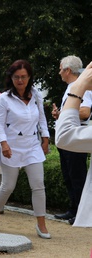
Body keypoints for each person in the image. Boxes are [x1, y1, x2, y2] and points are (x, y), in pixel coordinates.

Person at [0, 59, 51, 239]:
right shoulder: (5, 98)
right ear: (11, 78)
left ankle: (41, 225)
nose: (20, 80)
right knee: (7, 186)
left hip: (32, 146)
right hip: (11, 146)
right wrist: (3, 143)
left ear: (29, 77)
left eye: (24, 77)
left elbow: (42, 119)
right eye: (16, 77)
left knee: (38, 185)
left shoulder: (36, 95)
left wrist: (45, 139)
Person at [51, 55, 91, 225]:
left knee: (77, 177)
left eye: (60, 68)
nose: (59, 72)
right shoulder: (72, 87)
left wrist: (63, 114)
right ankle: (74, 209)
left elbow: (85, 112)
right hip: (72, 137)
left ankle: (79, 212)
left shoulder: (82, 88)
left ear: (67, 70)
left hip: (77, 137)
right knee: (70, 176)